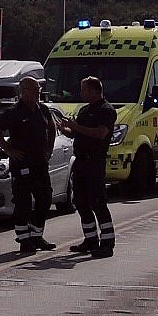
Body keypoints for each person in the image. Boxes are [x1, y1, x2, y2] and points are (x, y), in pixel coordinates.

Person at [0, 76, 60, 253]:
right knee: (22, 202)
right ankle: (24, 239)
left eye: (39, 90)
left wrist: (49, 148)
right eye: (35, 90)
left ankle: (37, 235)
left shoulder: (43, 110)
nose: (39, 93)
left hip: (40, 163)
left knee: (45, 199)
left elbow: (52, 126)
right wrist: (8, 149)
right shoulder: (14, 112)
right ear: (24, 92)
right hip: (22, 164)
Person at [60, 76, 117, 257]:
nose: (81, 92)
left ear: (94, 90)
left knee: (98, 202)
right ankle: (90, 239)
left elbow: (101, 133)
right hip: (81, 161)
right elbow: (76, 133)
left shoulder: (106, 110)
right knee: (81, 202)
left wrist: (76, 126)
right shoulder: (84, 110)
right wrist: (65, 128)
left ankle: (107, 243)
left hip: (95, 162)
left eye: (84, 89)